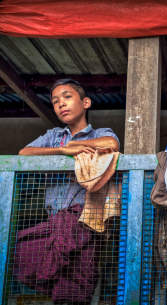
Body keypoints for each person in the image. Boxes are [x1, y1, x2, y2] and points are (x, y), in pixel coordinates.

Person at [16, 78, 120, 305]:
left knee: (77, 280)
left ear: (86, 103)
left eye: (67, 97)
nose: (61, 104)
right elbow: (24, 153)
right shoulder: (53, 136)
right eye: (55, 101)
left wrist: (75, 147)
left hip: (85, 219)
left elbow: (111, 144)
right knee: (21, 249)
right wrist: (62, 149)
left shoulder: (99, 133)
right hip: (55, 220)